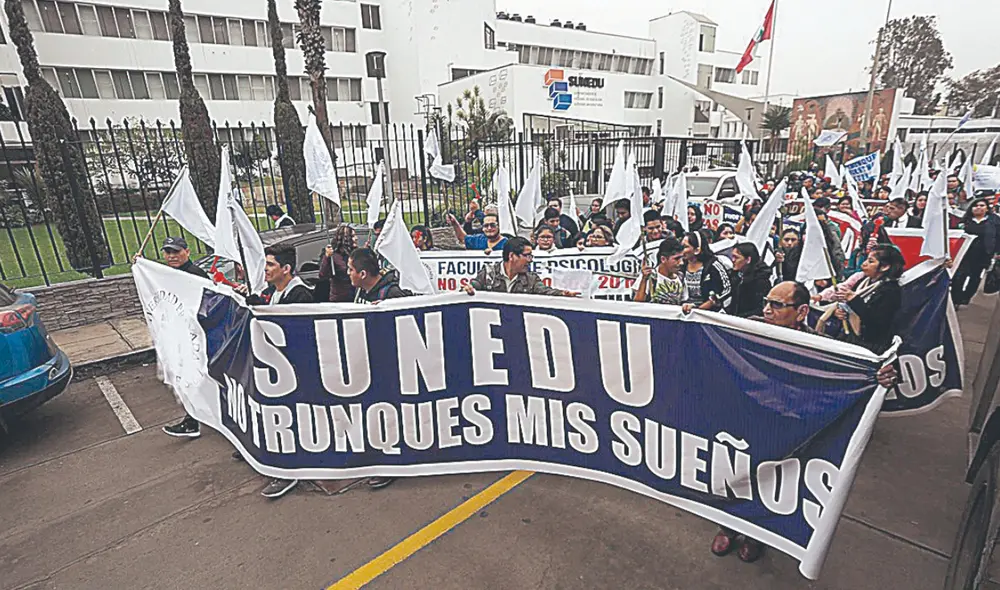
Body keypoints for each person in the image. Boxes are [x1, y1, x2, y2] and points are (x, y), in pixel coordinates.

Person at [709, 280, 900, 563]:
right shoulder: (749, 327)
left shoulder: (819, 346)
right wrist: (688, 317)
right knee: (737, 476)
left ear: (801, 312)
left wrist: (881, 374)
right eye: (766, 302)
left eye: (777, 305)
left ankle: (755, 534)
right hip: (747, 422)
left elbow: (861, 363)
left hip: (788, 429)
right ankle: (728, 525)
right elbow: (710, 333)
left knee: (774, 482)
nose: (767, 310)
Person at [232, 245, 313, 498]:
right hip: (275, 370)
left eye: (270, 265)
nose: (264, 270)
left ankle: (289, 472)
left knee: (292, 421)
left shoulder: (301, 296)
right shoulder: (273, 291)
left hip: (295, 373)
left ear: (286, 269)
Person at [346, 247, 410, 489]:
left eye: (351, 270)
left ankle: (390, 464)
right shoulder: (362, 292)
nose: (348, 274)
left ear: (363, 273)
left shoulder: (391, 294)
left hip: (389, 367)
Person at [160, 237, 211, 438]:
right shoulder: (170, 274)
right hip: (180, 336)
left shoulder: (195, 275)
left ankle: (193, 422)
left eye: (176, 252)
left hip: (196, 337)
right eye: (168, 252)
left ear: (187, 252)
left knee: (195, 379)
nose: (172, 256)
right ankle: (194, 419)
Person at [814, 245, 905, 353]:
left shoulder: (890, 291)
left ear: (884, 267)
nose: (864, 263)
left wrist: (854, 300)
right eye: (866, 259)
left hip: (870, 346)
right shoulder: (863, 281)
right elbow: (850, 307)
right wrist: (840, 313)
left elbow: (877, 321)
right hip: (851, 339)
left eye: (871, 261)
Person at [462, 237, 579, 297]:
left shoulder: (531, 279)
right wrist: (466, 290)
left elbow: (544, 291)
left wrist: (562, 294)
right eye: (527, 256)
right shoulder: (488, 274)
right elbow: (472, 287)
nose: (530, 261)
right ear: (512, 256)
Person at [953, 198, 1000, 307]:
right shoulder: (965, 221)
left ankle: (966, 297)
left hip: (983, 255)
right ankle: (956, 299)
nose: (978, 207)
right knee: (959, 276)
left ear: (987, 208)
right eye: (976, 205)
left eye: (982, 205)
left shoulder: (994, 221)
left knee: (975, 277)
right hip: (965, 254)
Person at [680, 229, 732, 311]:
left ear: (697, 250)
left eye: (685, 247)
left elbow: (727, 289)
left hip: (707, 314)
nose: (681, 250)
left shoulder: (714, 266)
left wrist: (710, 302)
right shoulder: (681, 266)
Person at [634, 237, 686, 305]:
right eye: (677, 259)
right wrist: (644, 280)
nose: (681, 262)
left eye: (682, 258)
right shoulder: (649, 276)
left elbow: (684, 301)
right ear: (663, 259)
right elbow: (637, 304)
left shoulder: (681, 277)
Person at [728, 243, 772, 318]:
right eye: (732, 256)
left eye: (736, 257)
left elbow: (760, 308)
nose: (733, 260)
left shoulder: (761, 281)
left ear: (748, 259)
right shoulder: (735, 276)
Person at [318, 225, 358, 303]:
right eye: (353, 236)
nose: (356, 238)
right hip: (340, 299)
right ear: (345, 239)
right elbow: (323, 275)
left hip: (355, 296)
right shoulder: (334, 256)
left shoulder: (355, 253)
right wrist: (327, 257)